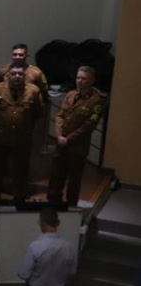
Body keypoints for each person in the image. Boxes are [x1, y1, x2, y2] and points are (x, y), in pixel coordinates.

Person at [48, 66, 104, 206]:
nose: (80, 81)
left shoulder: (95, 101)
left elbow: (87, 127)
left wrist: (68, 139)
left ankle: (71, 206)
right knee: (56, 176)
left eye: (84, 78)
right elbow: (60, 116)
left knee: (74, 179)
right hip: (61, 144)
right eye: (78, 78)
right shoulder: (70, 94)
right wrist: (60, 136)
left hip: (77, 148)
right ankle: (53, 203)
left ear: (92, 80)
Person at [0, 62, 44, 203]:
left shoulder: (33, 91)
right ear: (8, 75)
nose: (17, 76)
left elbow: (38, 113)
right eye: (14, 74)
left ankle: (19, 196)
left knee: (21, 169)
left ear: (24, 76)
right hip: (1, 136)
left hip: (22, 137)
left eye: (20, 74)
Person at [17, 208, 77, 286]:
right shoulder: (68, 246)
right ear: (58, 223)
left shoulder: (35, 247)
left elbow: (23, 274)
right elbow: (72, 272)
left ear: (42, 223)